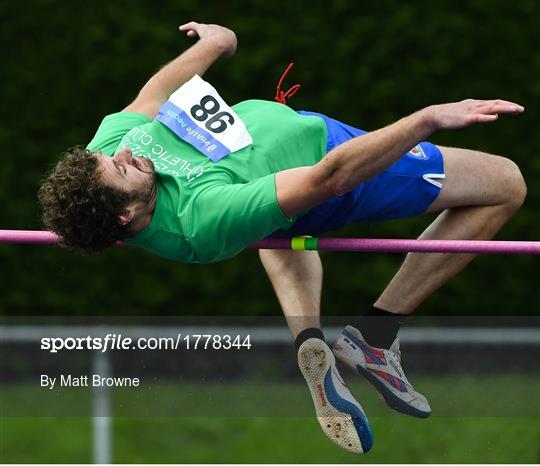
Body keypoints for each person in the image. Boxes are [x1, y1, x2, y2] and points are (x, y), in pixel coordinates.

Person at [38, 22, 526, 454]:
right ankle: (375, 337)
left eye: (111, 154)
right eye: (121, 169)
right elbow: (327, 180)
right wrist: (426, 119)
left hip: (278, 178)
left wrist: (215, 43)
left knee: (276, 224)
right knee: (504, 184)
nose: (126, 153)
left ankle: (310, 339)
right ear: (125, 215)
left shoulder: (105, 152)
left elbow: (155, 94)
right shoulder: (199, 219)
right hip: (331, 158)